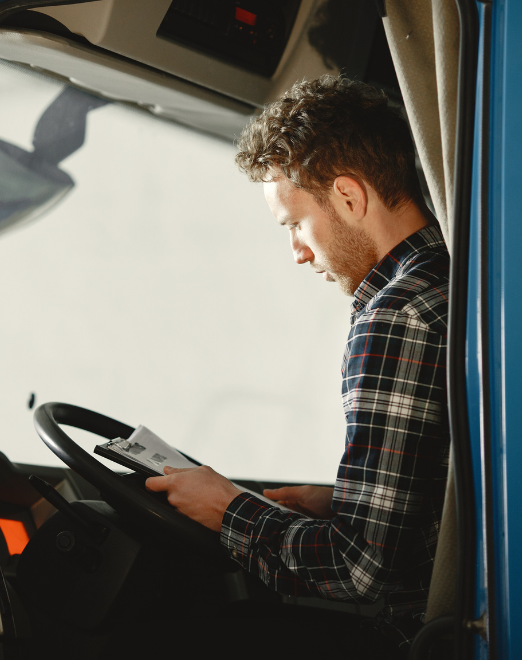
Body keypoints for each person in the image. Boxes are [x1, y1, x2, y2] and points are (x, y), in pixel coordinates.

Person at [145, 75, 450, 656]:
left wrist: (227, 509)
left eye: (294, 224)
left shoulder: (395, 318)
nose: (297, 252)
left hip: (423, 634)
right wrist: (338, 500)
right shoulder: (451, 279)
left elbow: (360, 570)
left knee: (217, 635)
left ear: (349, 197)